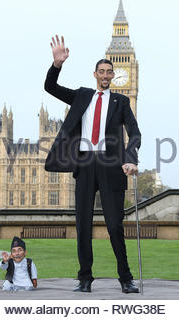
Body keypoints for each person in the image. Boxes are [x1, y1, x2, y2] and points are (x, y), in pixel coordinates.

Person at [44, 35, 141, 293]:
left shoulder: (122, 102)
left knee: (114, 225)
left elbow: (135, 133)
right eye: (102, 71)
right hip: (85, 163)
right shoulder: (82, 96)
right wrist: (57, 65)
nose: (106, 75)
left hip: (111, 165)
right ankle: (85, 278)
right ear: (95, 74)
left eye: (110, 72)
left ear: (113, 75)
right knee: (82, 224)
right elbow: (50, 88)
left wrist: (131, 159)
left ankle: (126, 278)